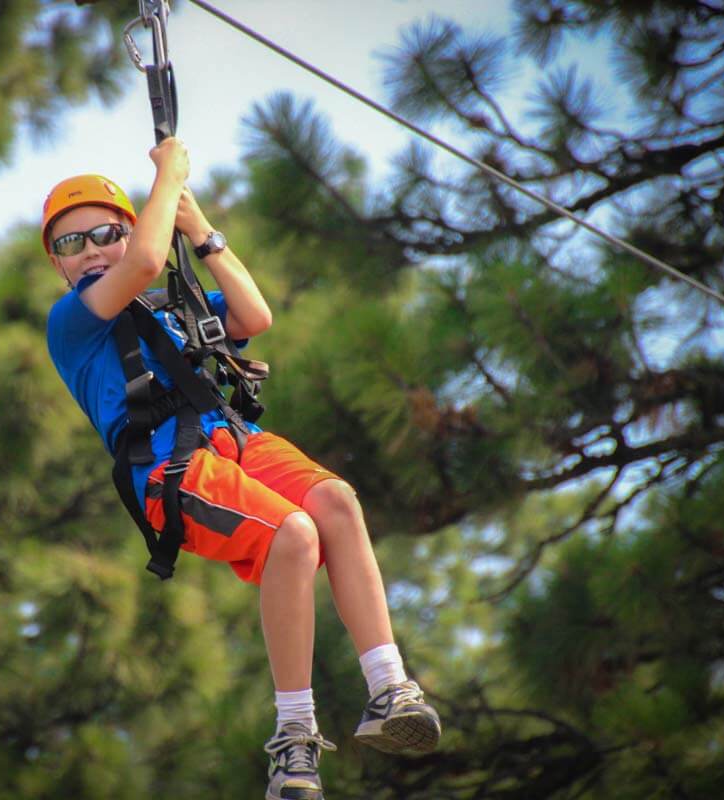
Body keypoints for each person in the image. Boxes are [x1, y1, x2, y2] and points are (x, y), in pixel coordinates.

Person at [42, 137, 441, 800]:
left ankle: (389, 687)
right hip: (168, 465)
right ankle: (294, 738)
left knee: (335, 502)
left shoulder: (171, 310)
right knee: (293, 534)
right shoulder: (72, 322)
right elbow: (142, 261)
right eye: (71, 244)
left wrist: (201, 231)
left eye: (104, 234)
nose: (90, 252)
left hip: (233, 438)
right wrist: (168, 178)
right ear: (58, 266)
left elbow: (255, 315)